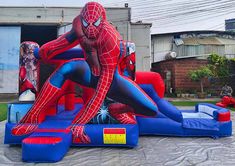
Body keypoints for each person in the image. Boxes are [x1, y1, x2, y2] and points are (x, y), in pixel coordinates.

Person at [12, 2, 158, 143]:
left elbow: (101, 90)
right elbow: (63, 42)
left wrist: (80, 122)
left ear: (102, 21)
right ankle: (34, 114)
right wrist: (43, 51)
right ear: (82, 19)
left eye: (95, 23)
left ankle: (117, 110)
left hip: (113, 82)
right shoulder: (79, 25)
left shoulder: (110, 39)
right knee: (66, 68)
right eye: (86, 24)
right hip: (89, 72)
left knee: (151, 109)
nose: (89, 29)